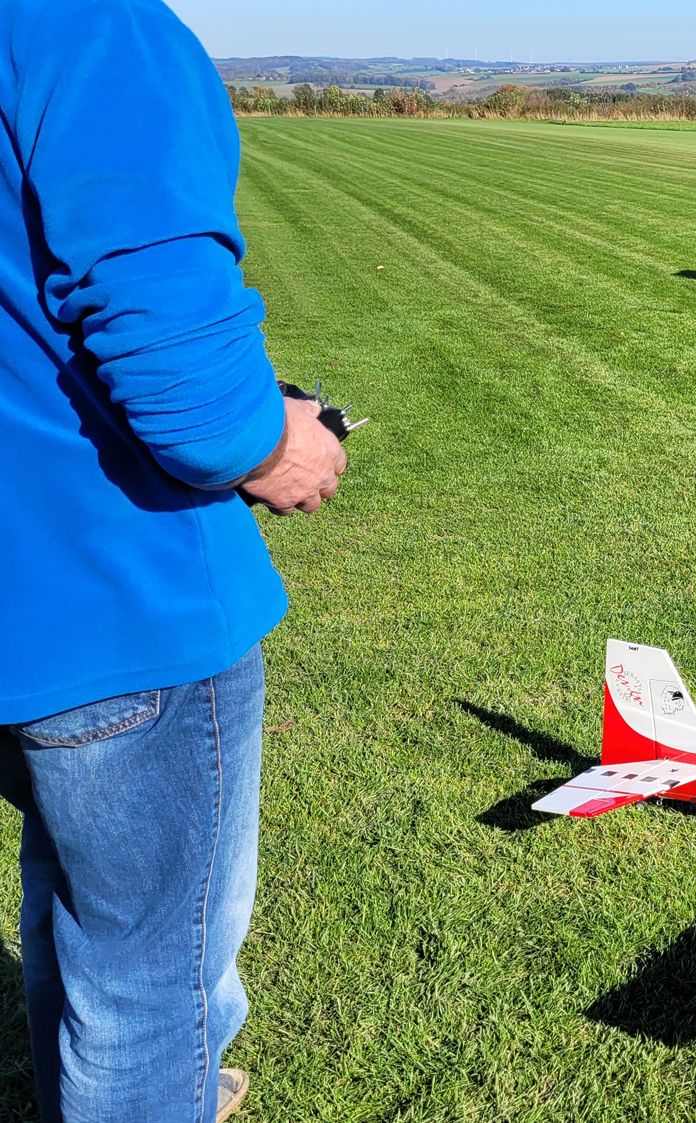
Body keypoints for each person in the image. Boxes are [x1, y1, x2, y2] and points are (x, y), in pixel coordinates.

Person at [0, 1, 347, 1118]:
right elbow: (187, 380)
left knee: (74, 898)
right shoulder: (93, 24)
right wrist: (282, 444)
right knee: (149, 976)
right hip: (110, 590)